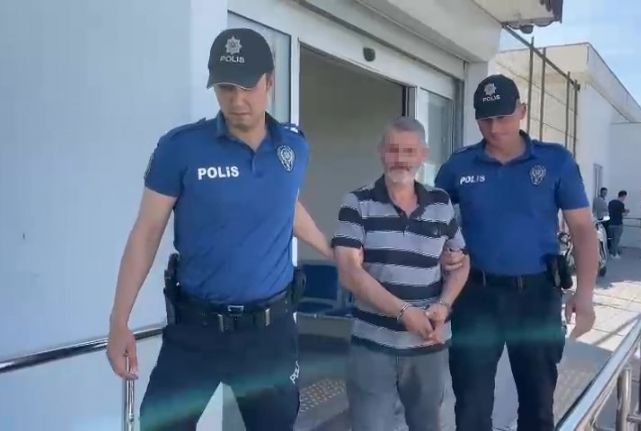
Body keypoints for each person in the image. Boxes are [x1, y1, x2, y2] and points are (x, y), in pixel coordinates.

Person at [105, 28, 333, 431]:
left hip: (269, 334)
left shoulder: (293, 147)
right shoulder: (181, 148)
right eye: (226, 88)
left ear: (270, 81)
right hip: (196, 332)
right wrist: (119, 321)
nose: (237, 100)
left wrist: (332, 252)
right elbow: (146, 233)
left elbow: (284, 205)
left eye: (248, 87)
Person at [435, 74, 598, 431]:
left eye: (503, 117)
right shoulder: (459, 166)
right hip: (476, 298)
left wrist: (584, 296)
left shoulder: (555, 162)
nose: (494, 128)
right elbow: (432, 222)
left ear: (522, 111)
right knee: (471, 406)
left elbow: (584, 231)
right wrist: (443, 253)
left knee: (538, 404)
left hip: (536, 297)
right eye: (485, 120)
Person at [332, 117, 470, 431]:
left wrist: (444, 304)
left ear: (423, 155)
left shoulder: (441, 202)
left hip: (428, 345)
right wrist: (405, 312)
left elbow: (462, 262)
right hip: (372, 346)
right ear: (380, 152)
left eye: (409, 151)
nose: (400, 159)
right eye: (393, 149)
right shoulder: (357, 203)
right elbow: (349, 272)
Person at [608, 190, 629, 258]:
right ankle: (614, 254)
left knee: (612, 239)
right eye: (625, 197)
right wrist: (627, 212)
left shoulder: (611, 202)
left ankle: (611, 252)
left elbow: (612, 212)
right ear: (623, 196)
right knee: (616, 240)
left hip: (610, 223)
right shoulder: (621, 204)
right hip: (618, 224)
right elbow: (622, 214)